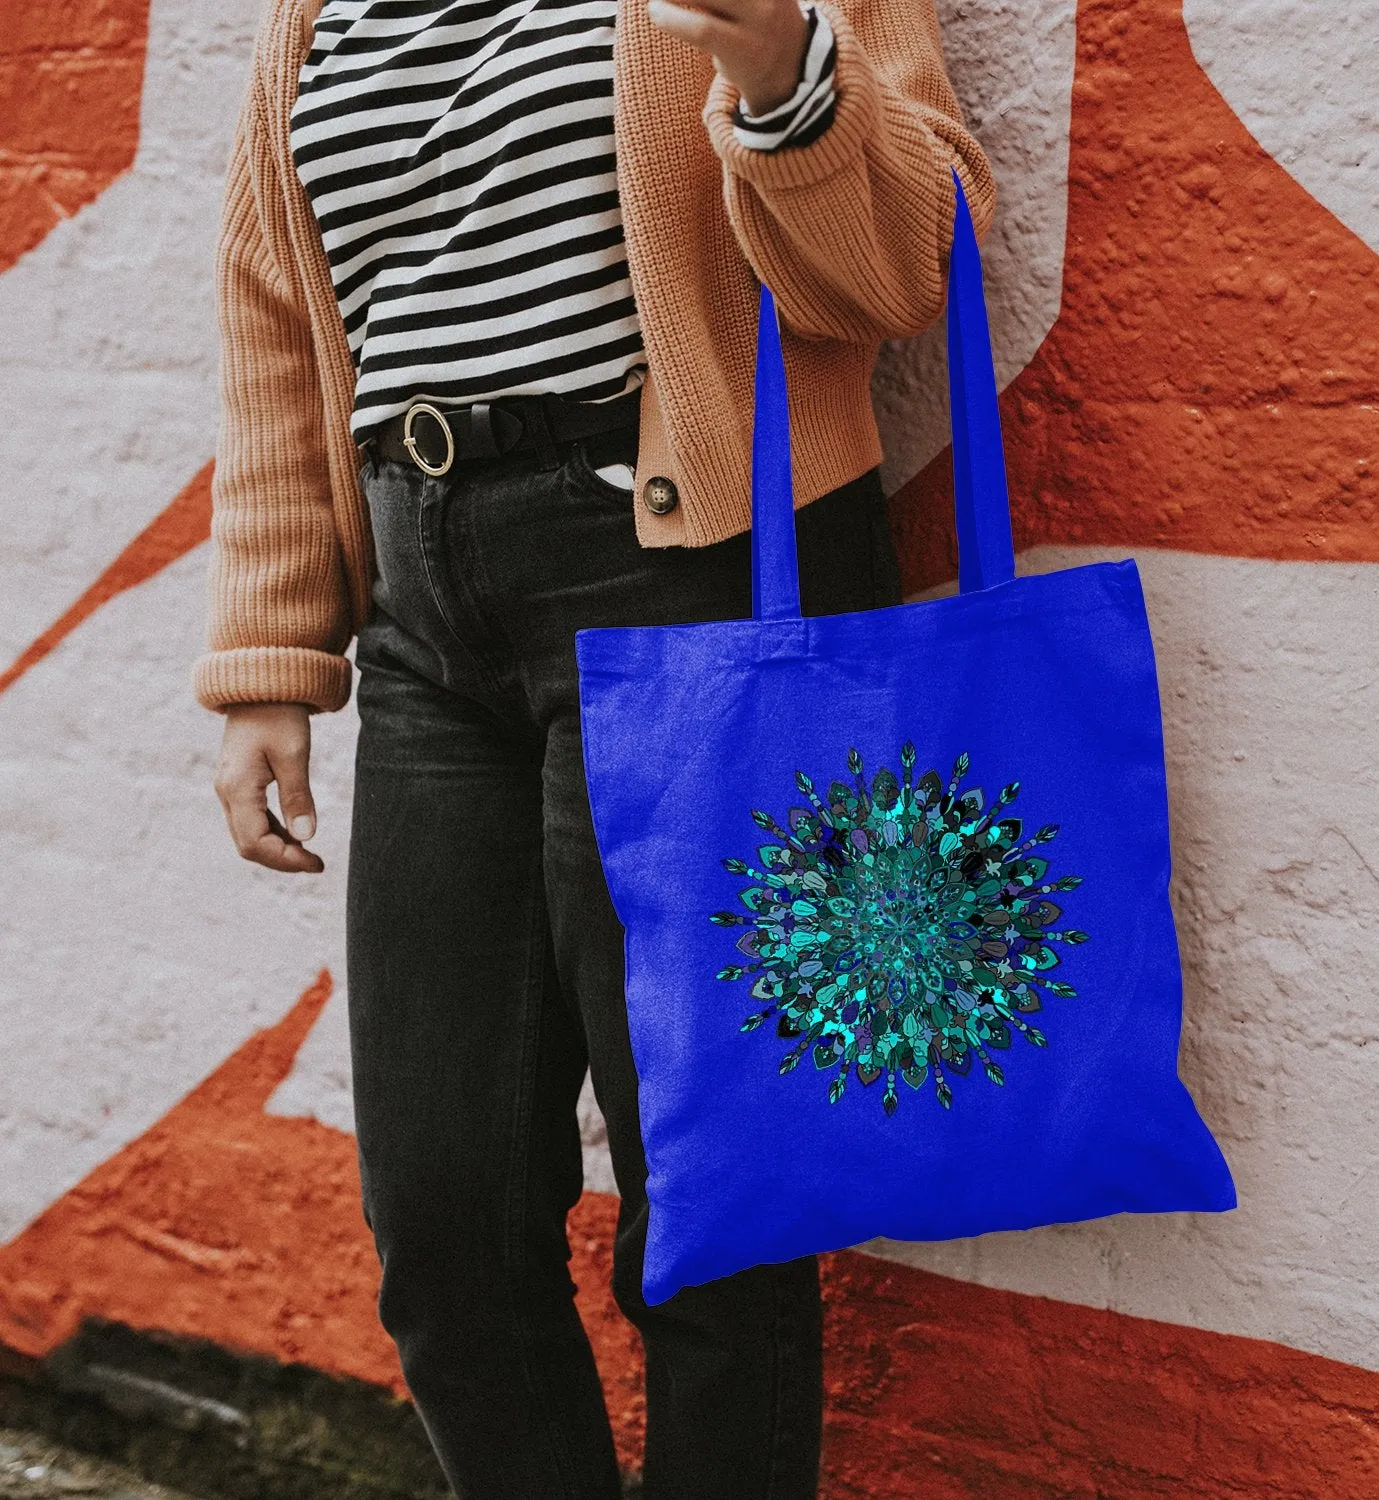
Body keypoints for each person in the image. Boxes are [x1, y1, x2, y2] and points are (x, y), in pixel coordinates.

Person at [199, 0, 995, 1493]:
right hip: (427, 617)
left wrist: (781, 71)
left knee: (707, 1220)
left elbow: (902, 269)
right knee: (445, 1236)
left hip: (694, 586)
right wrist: (267, 651)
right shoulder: (311, 11)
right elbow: (271, 310)